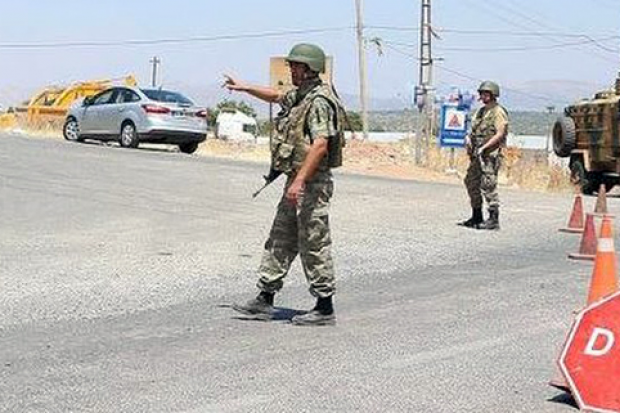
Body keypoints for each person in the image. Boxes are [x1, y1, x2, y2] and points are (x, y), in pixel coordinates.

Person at [224, 43, 346, 326]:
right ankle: (265, 298)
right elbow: (277, 96)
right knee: (281, 237)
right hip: (297, 180)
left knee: (313, 241)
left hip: (312, 184)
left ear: (310, 68)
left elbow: (320, 146)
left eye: (296, 66)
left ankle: (324, 306)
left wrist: (300, 181)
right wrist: (244, 88)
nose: (291, 70)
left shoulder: (319, 101)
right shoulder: (301, 95)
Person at [459, 81, 509, 230]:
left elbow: (500, 133)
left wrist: (485, 147)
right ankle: (476, 215)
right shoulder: (480, 112)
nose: (483, 96)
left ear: (493, 95)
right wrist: (468, 139)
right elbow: (473, 129)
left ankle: (493, 219)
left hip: (490, 155)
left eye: (486, 93)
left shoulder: (498, 112)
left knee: (488, 185)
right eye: (482, 93)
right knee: (471, 182)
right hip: (477, 154)